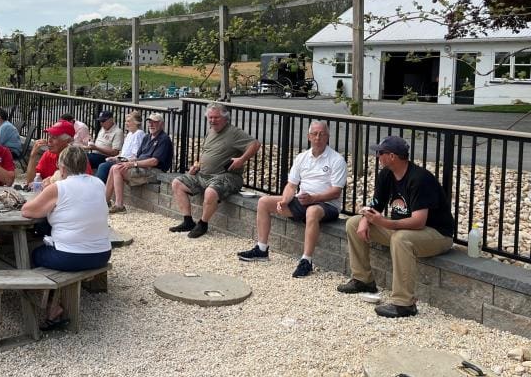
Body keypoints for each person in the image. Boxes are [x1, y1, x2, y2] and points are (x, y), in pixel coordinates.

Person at [337, 135, 454, 318]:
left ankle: (404, 304)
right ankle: (363, 280)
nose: (377, 156)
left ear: (392, 156)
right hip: (403, 228)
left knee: (401, 239)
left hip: (437, 234)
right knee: (353, 223)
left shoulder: (420, 179)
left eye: (380, 153)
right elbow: (376, 204)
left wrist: (383, 222)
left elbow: (418, 221)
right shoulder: (386, 174)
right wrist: (365, 219)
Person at [237, 120, 347, 278]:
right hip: (303, 200)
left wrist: (313, 198)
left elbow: (336, 192)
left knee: (312, 211)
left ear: (327, 137)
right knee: (264, 202)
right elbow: (291, 185)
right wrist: (285, 200)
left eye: (322, 134)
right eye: (314, 134)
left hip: (327, 204)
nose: (318, 137)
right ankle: (261, 249)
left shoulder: (336, 160)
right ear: (309, 136)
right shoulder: (302, 157)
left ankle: (306, 260)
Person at [22, 145, 111, 330]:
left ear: (61, 168)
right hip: (102, 253)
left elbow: (27, 211)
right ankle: (56, 301)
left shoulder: (58, 187)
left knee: (32, 251)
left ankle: (50, 305)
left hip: (70, 257)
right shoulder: (98, 183)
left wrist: (45, 191)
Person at [169, 102, 261, 238]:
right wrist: (197, 166)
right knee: (177, 183)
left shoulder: (234, 132)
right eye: (210, 117)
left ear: (225, 118)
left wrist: (241, 159)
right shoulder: (210, 131)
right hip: (203, 175)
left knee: (211, 192)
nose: (212, 120)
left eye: (216, 117)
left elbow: (255, 144)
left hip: (226, 176)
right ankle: (188, 221)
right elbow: (207, 152)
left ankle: (203, 224)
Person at [105, 112, 173, 213]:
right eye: (150, 122)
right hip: (142, 167)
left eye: (154, 122)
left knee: (117, 169)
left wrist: (133, 164)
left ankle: (119, 205)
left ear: (161, 124)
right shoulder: (147, 137)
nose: (151, 125)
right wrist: (122, 160)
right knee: (115, 167)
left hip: (155, 171)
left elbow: (154, 161)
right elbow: (138, 157)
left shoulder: (164, 139)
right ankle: (105, 201)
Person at [26, 120, 92, 186]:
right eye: (49, 136)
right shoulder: (48, 154)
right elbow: (31, 183)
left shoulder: (78, 158)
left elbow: (83, 186)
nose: (49, 140)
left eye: (54, 137)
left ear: (68, 141)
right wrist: (33, 156)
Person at [95, 111, 145, 183]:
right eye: (126, 121)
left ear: (136, 123)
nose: (126, 123)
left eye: (128, 121)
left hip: (129, 162)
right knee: (104, 163)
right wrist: (115, 158)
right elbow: (123, 153)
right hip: (122, 160)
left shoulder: (139, 134)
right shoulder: (130, 134)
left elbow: (135, 155)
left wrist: (120, 160)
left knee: (104, 166)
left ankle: (98, 187)